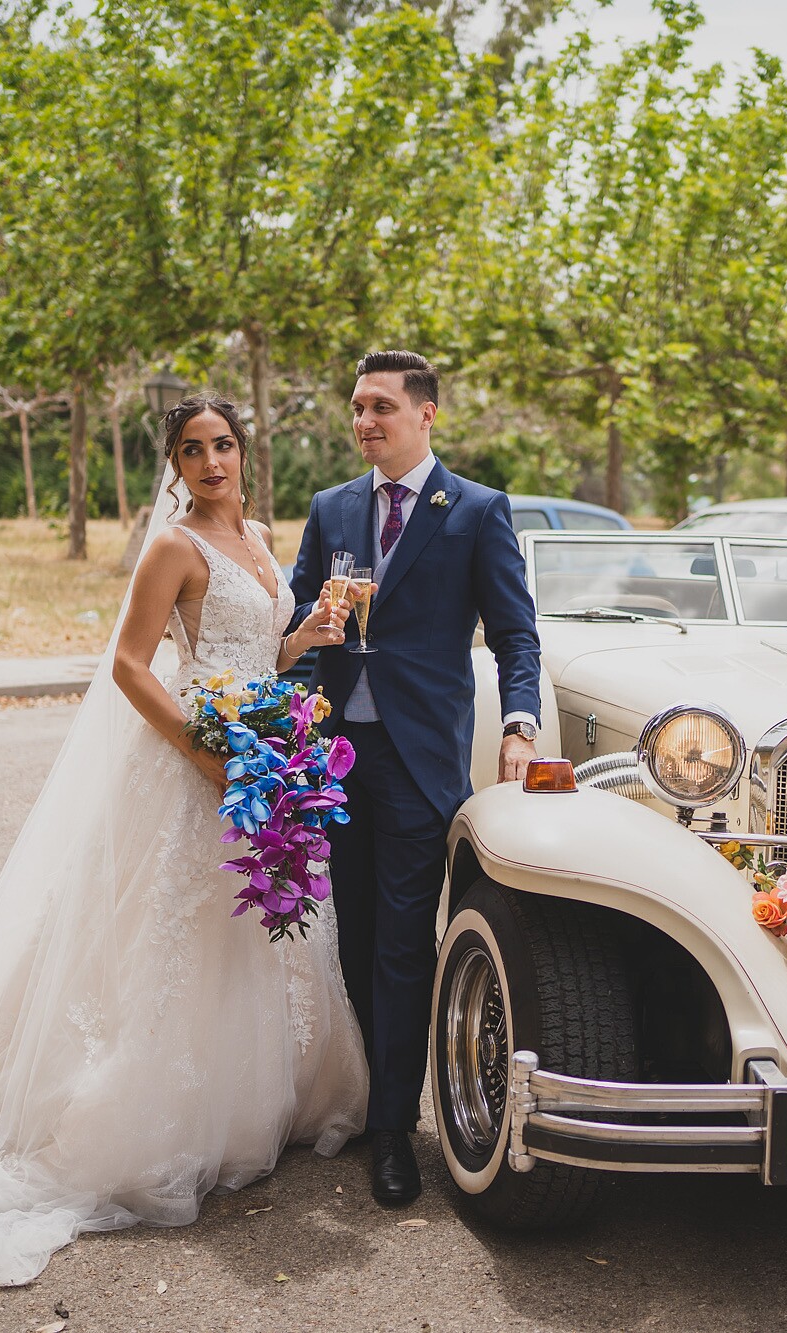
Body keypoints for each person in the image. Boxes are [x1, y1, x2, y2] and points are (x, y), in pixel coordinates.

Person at [0, 394, 367, 1301]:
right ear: (173, 465)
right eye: (193, 450)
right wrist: (204, 752)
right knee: (171, 937)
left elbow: (250, 654)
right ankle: (157, 1119)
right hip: (191, 760)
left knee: (246, 925)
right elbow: (132, 665)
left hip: (258, 759)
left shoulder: (258, 535)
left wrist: (307, 638)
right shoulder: (174, 546)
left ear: (246, 453)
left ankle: (252, 1105)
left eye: (224, 446)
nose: (212, 463)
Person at [288, 350, 542, 1206]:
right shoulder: (331, 509)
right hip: (333, 757)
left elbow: (515, 634)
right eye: (356, 406)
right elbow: (292, 622)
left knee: (403, 942)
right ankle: (367, 1096)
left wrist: (519, 723)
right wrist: (308, 637)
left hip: (418, 758)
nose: (363, 420)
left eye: (381, 407)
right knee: (350, 936)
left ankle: (397, 1128)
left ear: (425, 414)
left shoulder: (474, 511)